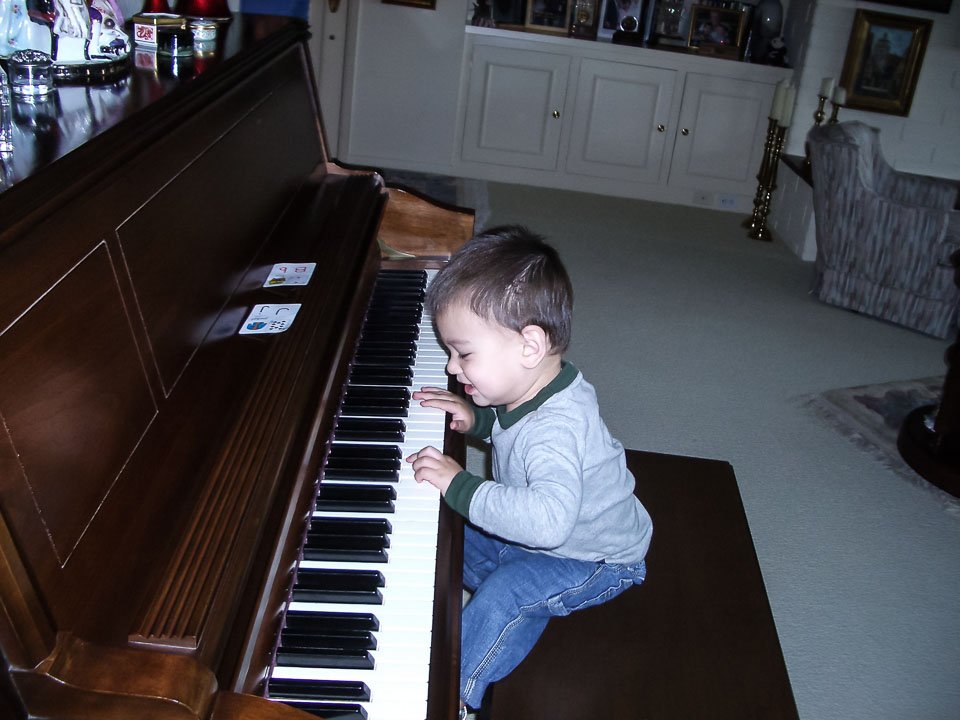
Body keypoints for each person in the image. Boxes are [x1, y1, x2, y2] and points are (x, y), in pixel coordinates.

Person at [406, 226, 653, 715]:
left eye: (464, 353)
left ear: (529, 346)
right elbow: (510, 427)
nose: (452, 368)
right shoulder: (532, 384)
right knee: (451, 527)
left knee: (507, 593)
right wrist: (476, 418)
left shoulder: (554, 430)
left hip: (595, 560)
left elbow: (547, 523)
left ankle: (451, 695)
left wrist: (460, 483)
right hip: (543, 533)